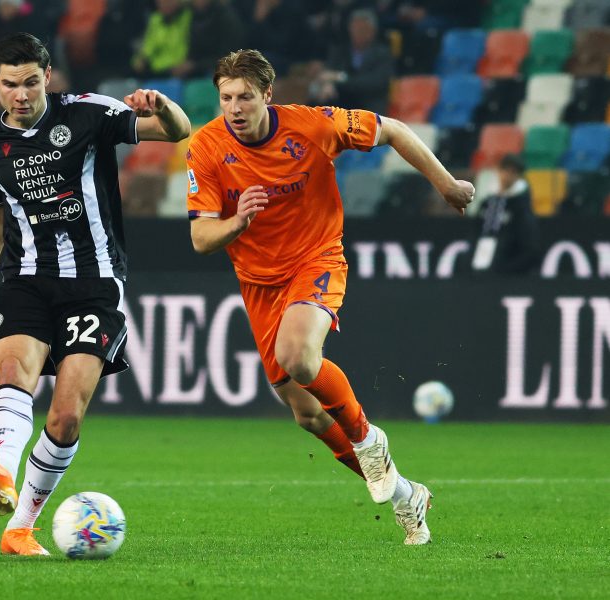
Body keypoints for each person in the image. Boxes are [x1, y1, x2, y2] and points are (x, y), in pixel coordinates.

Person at [185, 49, 474, 545]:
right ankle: (405, 494)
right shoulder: (207, 146)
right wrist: (238, 221)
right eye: (226, 97)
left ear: (267, 94)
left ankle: (368, 438)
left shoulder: (314, 126)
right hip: (259, 283)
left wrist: (445, 185)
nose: (234, 108)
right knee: (307, 414)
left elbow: (394, 130)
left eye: (245, 97)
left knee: (298, 356)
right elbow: (200, 238)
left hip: (315, 260)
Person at [0, 32, 190, 556]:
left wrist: (162, 105)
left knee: (66, 416)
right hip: (26, 277)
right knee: (13, 371)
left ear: (48, 77)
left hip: (94, 283)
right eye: (11, 85)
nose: (22, 94)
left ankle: (20, 528)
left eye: (31, 82)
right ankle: (1, 474)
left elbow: (175, 131)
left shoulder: (88, 113)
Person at [309, 9, 394, 115]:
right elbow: (328, 74)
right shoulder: (341, 51)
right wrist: (327, 84)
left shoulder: (382, 54)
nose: (358, 32)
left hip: (368, 106)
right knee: (318, 102)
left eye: (363, 29)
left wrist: (341, 78)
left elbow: (374, 83)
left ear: (372, 31)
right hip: (342, 104)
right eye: (355, 28)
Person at [472, 154, 539, 275]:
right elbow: (475, 231)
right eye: (505, 170)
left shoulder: (521, 206)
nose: (507, 176)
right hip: (480, 262)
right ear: (498, 171)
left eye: (513, 172)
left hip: (507, 269)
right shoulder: (487, 203)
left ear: (518, 176)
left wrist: (506, 269)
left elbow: (529, 243)